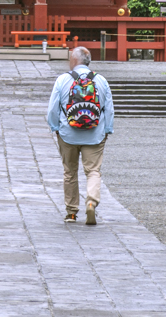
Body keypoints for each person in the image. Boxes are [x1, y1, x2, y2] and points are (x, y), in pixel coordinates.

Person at [46, 46, 114, 225]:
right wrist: (107, 130)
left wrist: (55, 128)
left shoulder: (62, 80)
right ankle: (91, 200)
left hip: (68, 134)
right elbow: (109, 110)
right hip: (94, 133)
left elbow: (52, 109)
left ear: (74, 61)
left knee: (70, 172)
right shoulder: (101, 80)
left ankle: (71, 212)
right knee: (93, 171)